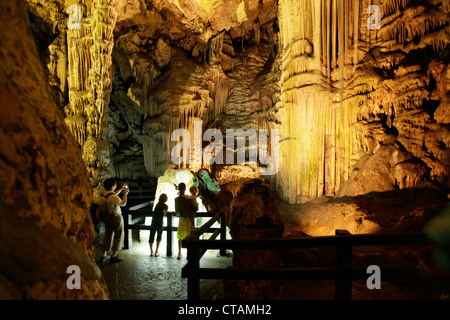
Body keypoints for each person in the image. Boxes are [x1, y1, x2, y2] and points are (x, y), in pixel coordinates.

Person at [99, 177, 129, 264]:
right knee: (119, 235)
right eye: (115, 185)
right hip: (116, 217)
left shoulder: (104, 194)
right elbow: (123, 203)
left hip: (107, 218)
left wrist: (121, 189)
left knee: (107, 235)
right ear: (112, 186)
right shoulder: (114, 197)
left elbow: (113, 195)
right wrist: (125, 194)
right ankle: (114, 255)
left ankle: (103, 255)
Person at [175, 183, 198, 259]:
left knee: (180, 236)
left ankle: (179, 253)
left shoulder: (177, 199)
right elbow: (195, 208)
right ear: (185, 189)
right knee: (189, 236)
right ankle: (188, 253)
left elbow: (177, 211)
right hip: (189, 219)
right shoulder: (189, 199)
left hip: (181, 219)